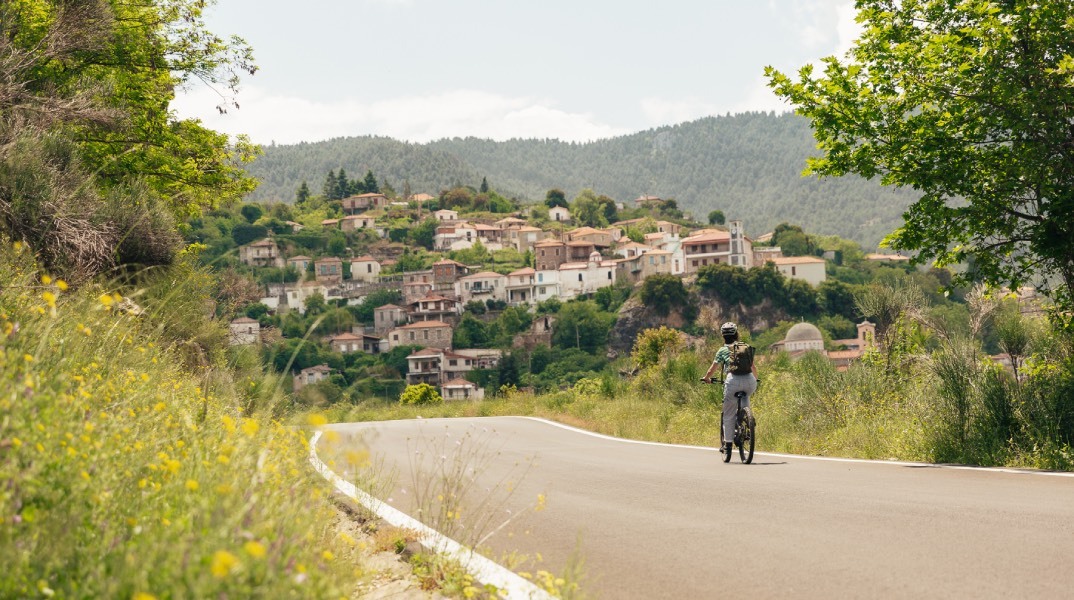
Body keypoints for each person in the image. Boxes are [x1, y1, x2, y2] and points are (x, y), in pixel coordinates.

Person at [701, 322, 758, 461]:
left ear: (723, 336)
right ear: (736, 334)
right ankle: (748, 423)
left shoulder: (722, 350)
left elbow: (712, 369)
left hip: (733, 381)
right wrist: (755, 380)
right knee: (745, 398)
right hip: (750, 381)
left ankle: (727, 445)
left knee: (728, 414)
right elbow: (753, 367)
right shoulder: (744, 347)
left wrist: (706, 378)